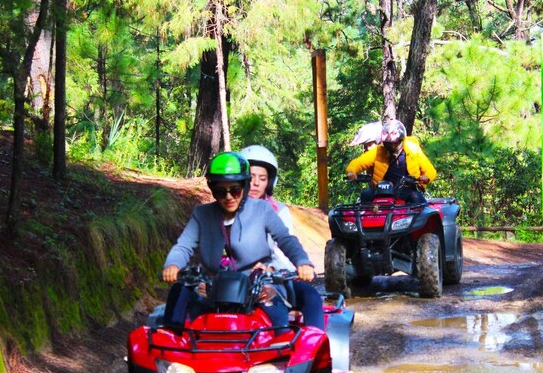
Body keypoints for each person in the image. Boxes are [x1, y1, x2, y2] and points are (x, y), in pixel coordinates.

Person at [162, 151, 315, 328]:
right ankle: (172, 343)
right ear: (212, 190)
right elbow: (184, 246)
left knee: (275, 311)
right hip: (213, 284)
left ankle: (281, 349)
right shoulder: (201, 214)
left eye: (234, 190)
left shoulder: (262, 209)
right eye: (221, 191)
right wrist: (173, 265)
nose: (228, 197)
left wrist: (302, 262)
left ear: (245, 186)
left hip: (257, 282)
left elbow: (286, 239)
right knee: (179, 292)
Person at [241, 144, 326, 331]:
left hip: (274, 279)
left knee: (311, 297)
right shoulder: (227, 210)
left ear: (269, 182)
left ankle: (315, 346)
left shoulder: (278, 211)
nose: (255, 183)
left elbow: (285, 248)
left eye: (262, 178)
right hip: (237, 283)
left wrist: (275, 268)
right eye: (250, 177)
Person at [345, 119, 437, 204]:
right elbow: (359, 162)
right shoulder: (378, 151)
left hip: (407, 190)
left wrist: (426, 177)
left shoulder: (412, 149)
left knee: (416, 198)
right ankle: (364, 220)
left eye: (394, 144)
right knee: (366, 195)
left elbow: (430, 170)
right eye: (387, 144)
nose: (390, 147)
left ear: (400, 141)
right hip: (382, 191)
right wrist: (351, 171)